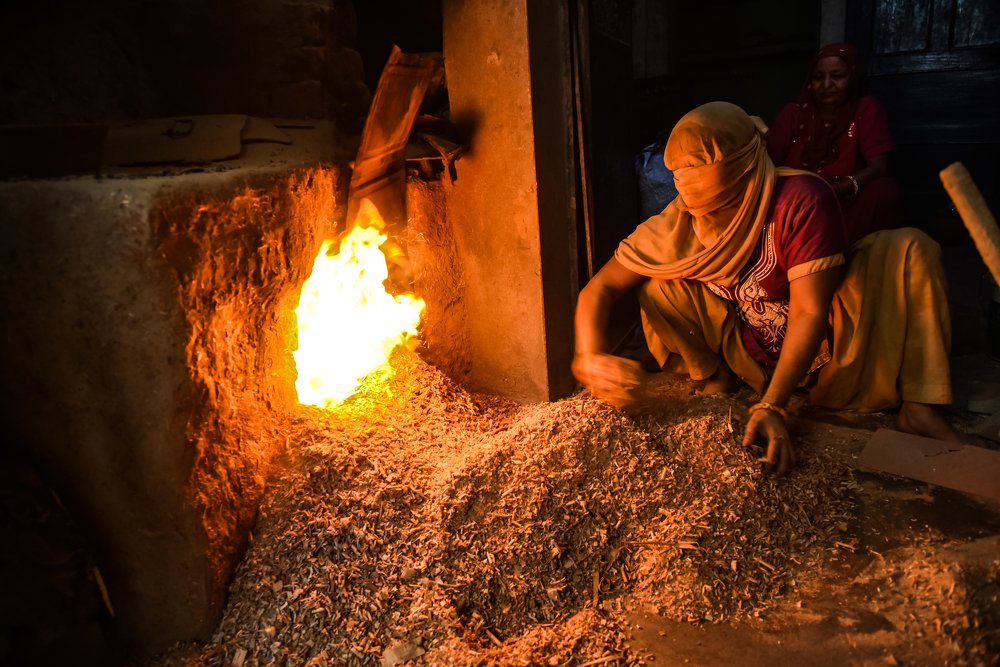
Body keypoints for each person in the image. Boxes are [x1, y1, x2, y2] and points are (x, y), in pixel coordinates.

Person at [573, 101, 960, 477]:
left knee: (908, 247)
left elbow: (810, 311)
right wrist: (588, 356)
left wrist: (773, 406)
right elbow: (599, 288)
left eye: (725, 205)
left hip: (839, 342)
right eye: (700, 209)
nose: (712, 219)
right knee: (657, 286)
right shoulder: (682, 219)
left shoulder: (801, 198)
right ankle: (717, 377)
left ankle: (919, 404)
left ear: (749, 175)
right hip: (753, 352)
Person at [766, 43, 900, 245]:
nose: (826, 84)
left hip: (844, 200)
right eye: (818, 77)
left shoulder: (865, 109)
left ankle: (843, 256)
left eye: (837, 76)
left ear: (852, 78)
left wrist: (837, 188)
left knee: (884, 191)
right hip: (798, 203)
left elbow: (879, 166)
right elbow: (768, 162)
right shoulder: (793, 114)